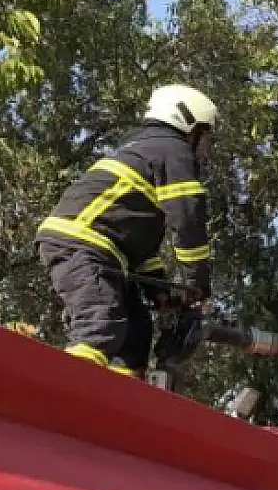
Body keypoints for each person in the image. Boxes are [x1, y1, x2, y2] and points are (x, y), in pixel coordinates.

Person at [35, 84, 217, 376]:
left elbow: (138, 245)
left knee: (135, 333)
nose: (205, 145)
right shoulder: (173, 150)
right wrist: (197, 285)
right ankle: (64, 394)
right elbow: (187, 220)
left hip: (100, 248)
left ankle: (120, 405)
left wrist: (158, 289)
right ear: (188, 123)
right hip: (82, 244)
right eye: (204, 134)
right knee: (99, 323)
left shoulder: (143, 149)